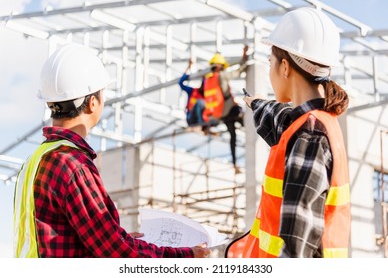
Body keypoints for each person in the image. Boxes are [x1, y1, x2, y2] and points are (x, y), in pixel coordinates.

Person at [13, 44, 210, 258]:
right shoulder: (73, 164)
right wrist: (184, 256)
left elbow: (66, 237)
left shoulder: (36, 161)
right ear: (93, 102)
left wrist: (122, 238)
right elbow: (114, 251)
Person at [225, 7, 351, 258]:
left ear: (285, 66)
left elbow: (295, 247)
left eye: (270, 62)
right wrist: (255, 103)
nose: (269, 71)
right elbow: (280, 118)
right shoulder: (312, 121)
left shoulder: (310, 136)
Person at [202, 45, 248, 174]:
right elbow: (239, 71)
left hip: (220, 113)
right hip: (231, 110)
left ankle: (234, 165)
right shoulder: (221, 76)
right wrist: (244, 57)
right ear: (219, 66)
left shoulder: (208, 80)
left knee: (232, 136)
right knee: (249, 125)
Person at [178, 59, 206, 128]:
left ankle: (205, 126)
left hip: (201, 118)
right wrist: (188, 67)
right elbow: (181, 83)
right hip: (191, 119)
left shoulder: (207, 96)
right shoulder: (192, 91)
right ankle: (201, 125)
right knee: (200, 102)